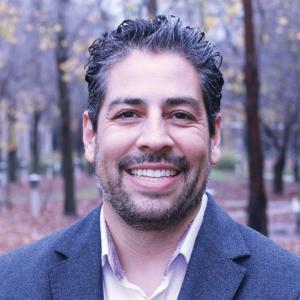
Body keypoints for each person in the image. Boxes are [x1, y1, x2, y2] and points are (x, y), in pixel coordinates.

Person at [0, 15, 299, 300]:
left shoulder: (288, 286)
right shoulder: (12, 284)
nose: (155, 139)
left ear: (214, 137)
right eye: (128, 114)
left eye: (180, 115)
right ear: (90, 137)